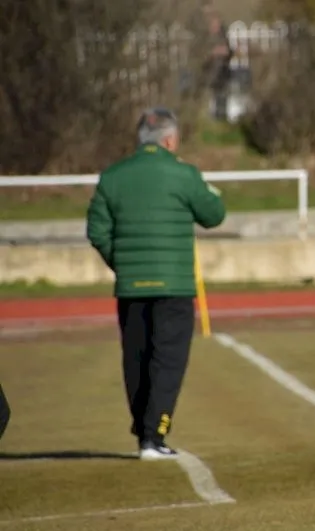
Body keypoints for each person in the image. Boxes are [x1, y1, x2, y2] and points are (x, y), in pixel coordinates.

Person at [86, 107, 226, 460]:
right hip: (174, 286)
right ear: (170, 140)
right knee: (168, 361)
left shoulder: (112, 176)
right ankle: (154, 436)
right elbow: (214, 215)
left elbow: (97, 230)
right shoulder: (184, 174)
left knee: (136, 358)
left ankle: (144, 433)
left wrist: (122, 262)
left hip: (131, 287)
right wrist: (210, 190)